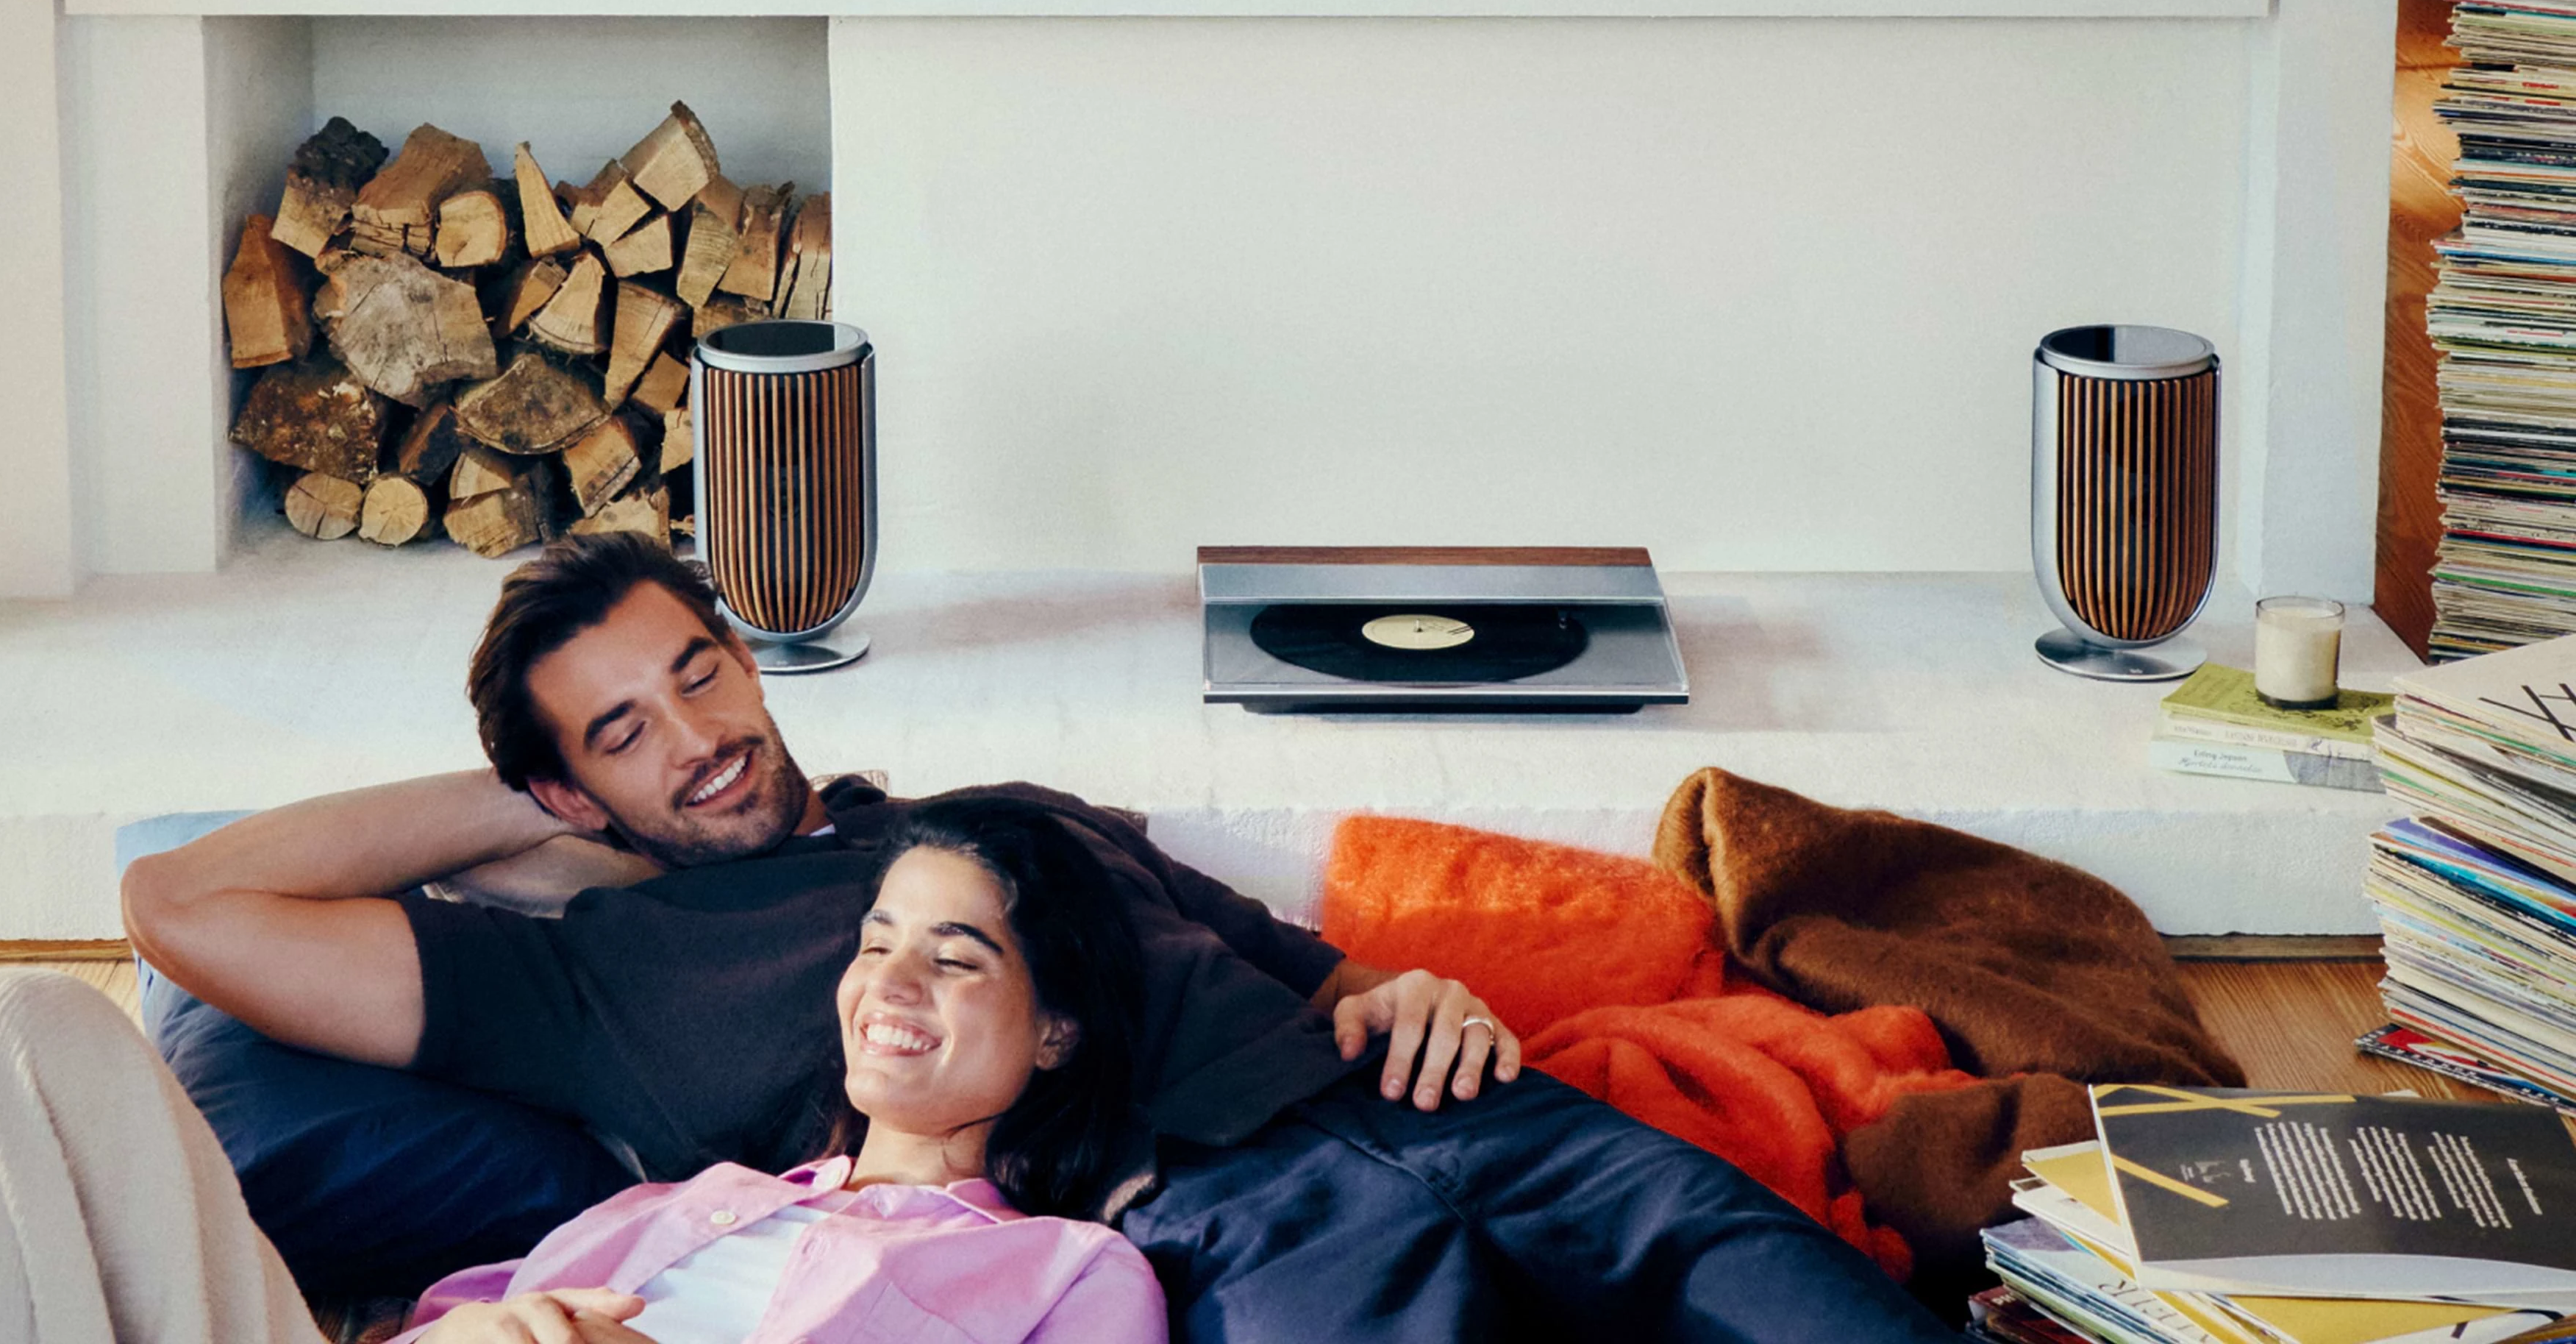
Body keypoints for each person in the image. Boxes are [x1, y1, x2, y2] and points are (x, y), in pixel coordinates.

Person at [124, 535, 1955, 1341]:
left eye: (699, 668)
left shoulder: (995, 807)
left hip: (1418, 1097)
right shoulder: (589, 988)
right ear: (572, 793)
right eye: (627, 732)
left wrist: (1386, 983)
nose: (703, 734)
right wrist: (528, 803)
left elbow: (1257, 942)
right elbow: (178, 904)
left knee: (1777, 1279)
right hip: (1201, 1213)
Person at [0, 801, 1169, 1344]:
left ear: (1056, 1030)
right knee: (23, 1026)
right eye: (876, 943)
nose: (891, 986)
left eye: (956, 958)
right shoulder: (673, 1203)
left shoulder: (1071, 1275)